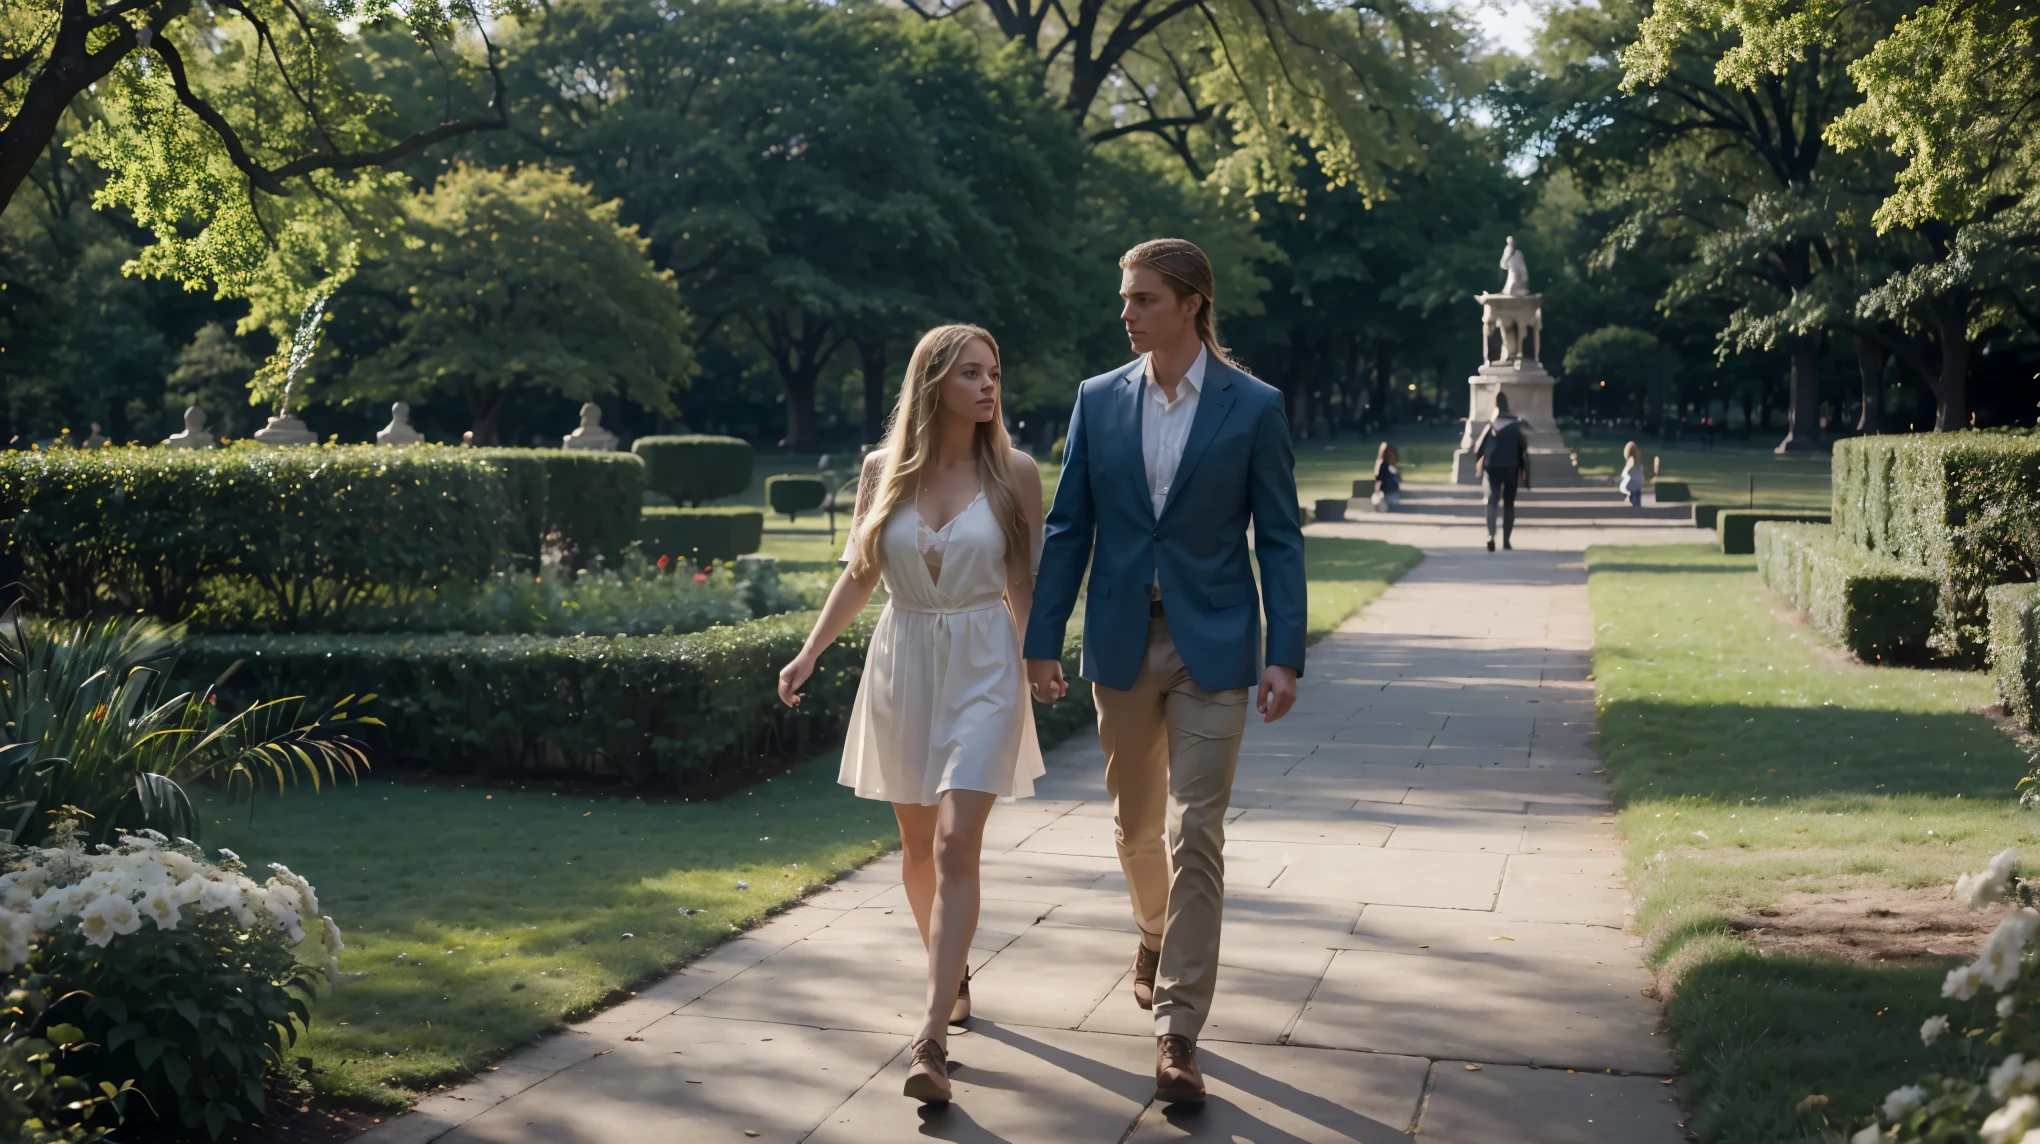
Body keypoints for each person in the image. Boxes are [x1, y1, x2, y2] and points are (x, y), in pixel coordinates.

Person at [1024, 238, 1307, 1106]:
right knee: (1137, 828)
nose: (1126, 312)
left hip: (1213, 645)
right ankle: (1152, 931)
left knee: (1199, 833)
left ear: (1190, 303)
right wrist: (1042, 635)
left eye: (1142, 298)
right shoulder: (1097, 400)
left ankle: (1178, 1031)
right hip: (1119, 638)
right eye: (1125, 298)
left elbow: (1281, 537)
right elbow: (1070, 526)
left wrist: (1284, 653)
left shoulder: (1252, 407)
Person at [776, 324, 1045, 1106]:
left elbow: (1021, 584)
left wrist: (1037, 659)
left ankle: (930, 1036)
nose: (989, 386)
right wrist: (809, 652)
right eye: (971, 373)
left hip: (985, 663)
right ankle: (950, 967)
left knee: (962, 838)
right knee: (919, 846)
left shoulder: (1015, 473)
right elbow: (861, 577)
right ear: (933, 384)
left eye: (994, 372)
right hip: (903, 662)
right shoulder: (879, 471)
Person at [1472, 393, 1529, 552]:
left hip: (1493, 468)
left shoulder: (1491, 425)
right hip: (1511, 467)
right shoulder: (1516, 426)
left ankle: (1491, 535)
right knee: (1509, 504)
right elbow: (1523, 449)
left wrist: (1480, 465)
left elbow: (1479, 449)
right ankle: (1506, 540)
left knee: (1492, 501)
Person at [1372, 442, 1401, 511]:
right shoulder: (1383, 466)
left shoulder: (1393, 467)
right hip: (1386, 493)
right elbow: (1379, 479)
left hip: (1393, 494)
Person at [1618, 441, 1645, 507]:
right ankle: (1636, 503)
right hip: (1638, 484)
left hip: (1630, 484)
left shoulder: (1630, 461)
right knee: (1637, 492)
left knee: (1625, 488)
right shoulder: (1639, 463)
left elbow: (1625, 473)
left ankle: (1630, 497)